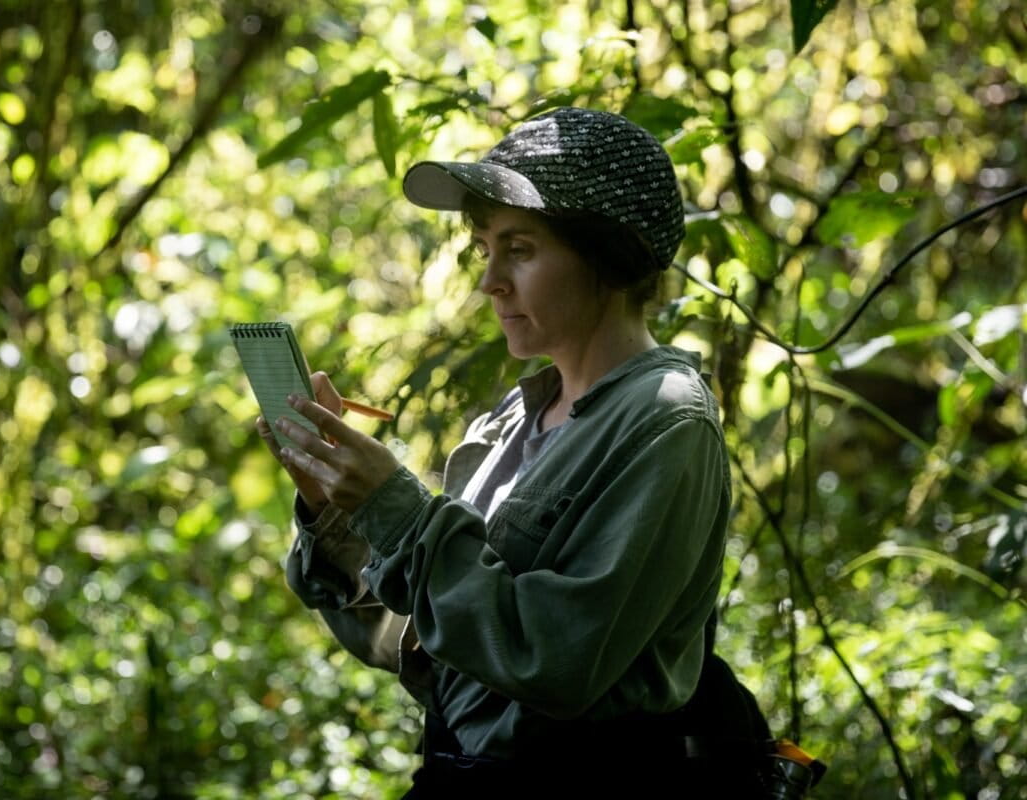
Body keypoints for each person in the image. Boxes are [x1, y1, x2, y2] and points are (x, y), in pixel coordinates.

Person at [259, 107, 771, 796]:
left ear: (607, 254)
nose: (489, 281)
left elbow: (555, 662)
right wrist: (334, 503)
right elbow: (426, 643)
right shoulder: (511, 420)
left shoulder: (664, 420)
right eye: (484, 248)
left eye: (520, 249)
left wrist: (399, 510)